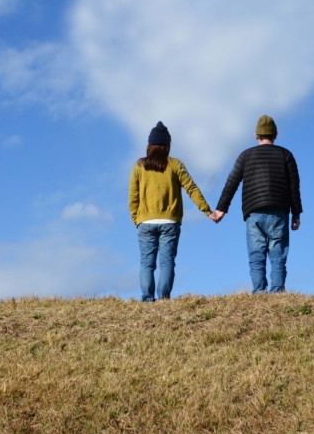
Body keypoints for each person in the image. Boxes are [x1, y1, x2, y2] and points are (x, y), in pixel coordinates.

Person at [211, 115, 302, 293]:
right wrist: (296, 213)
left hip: (254, 211)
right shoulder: (286, 155)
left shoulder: (245, 156)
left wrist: (221, 209)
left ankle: (259, 292)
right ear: (275, 134)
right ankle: (277, 291)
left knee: (256, 254)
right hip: (279, 211)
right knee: (278, 255)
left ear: (256, 135)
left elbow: (232, 182)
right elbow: (294, 186)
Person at [129, 121, 212, 302]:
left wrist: (137, 219)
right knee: (167, 262)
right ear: (167, 146)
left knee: (146, 263)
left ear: (149, 145)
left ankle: (147, 299)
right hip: (169, 222)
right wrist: (207, 210)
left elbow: (133, 197)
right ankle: (164, 298)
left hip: (145, 222)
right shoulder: (175, 165)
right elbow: (191, 188)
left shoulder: (139, 166)